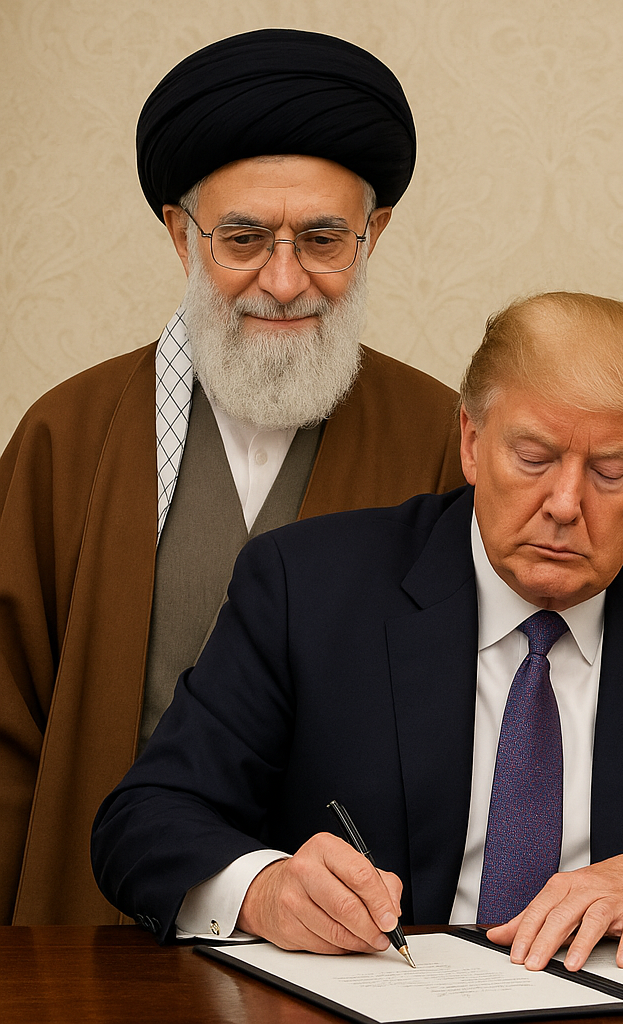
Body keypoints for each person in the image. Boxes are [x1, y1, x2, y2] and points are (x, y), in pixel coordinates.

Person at [92, 292, 623, 971]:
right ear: (473, 444)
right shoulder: (309, 587)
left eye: (611, 472)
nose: (565, 505)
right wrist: (265, 891)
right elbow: (144, 822)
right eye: (533, 457)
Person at [0, 29, 465, 927]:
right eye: (244, 238)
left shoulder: (443, 439)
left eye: (323, 239)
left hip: (359, 949)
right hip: (100, 940)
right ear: (183, 235)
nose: (284, 281)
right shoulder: (68, 434)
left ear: (373, 236)